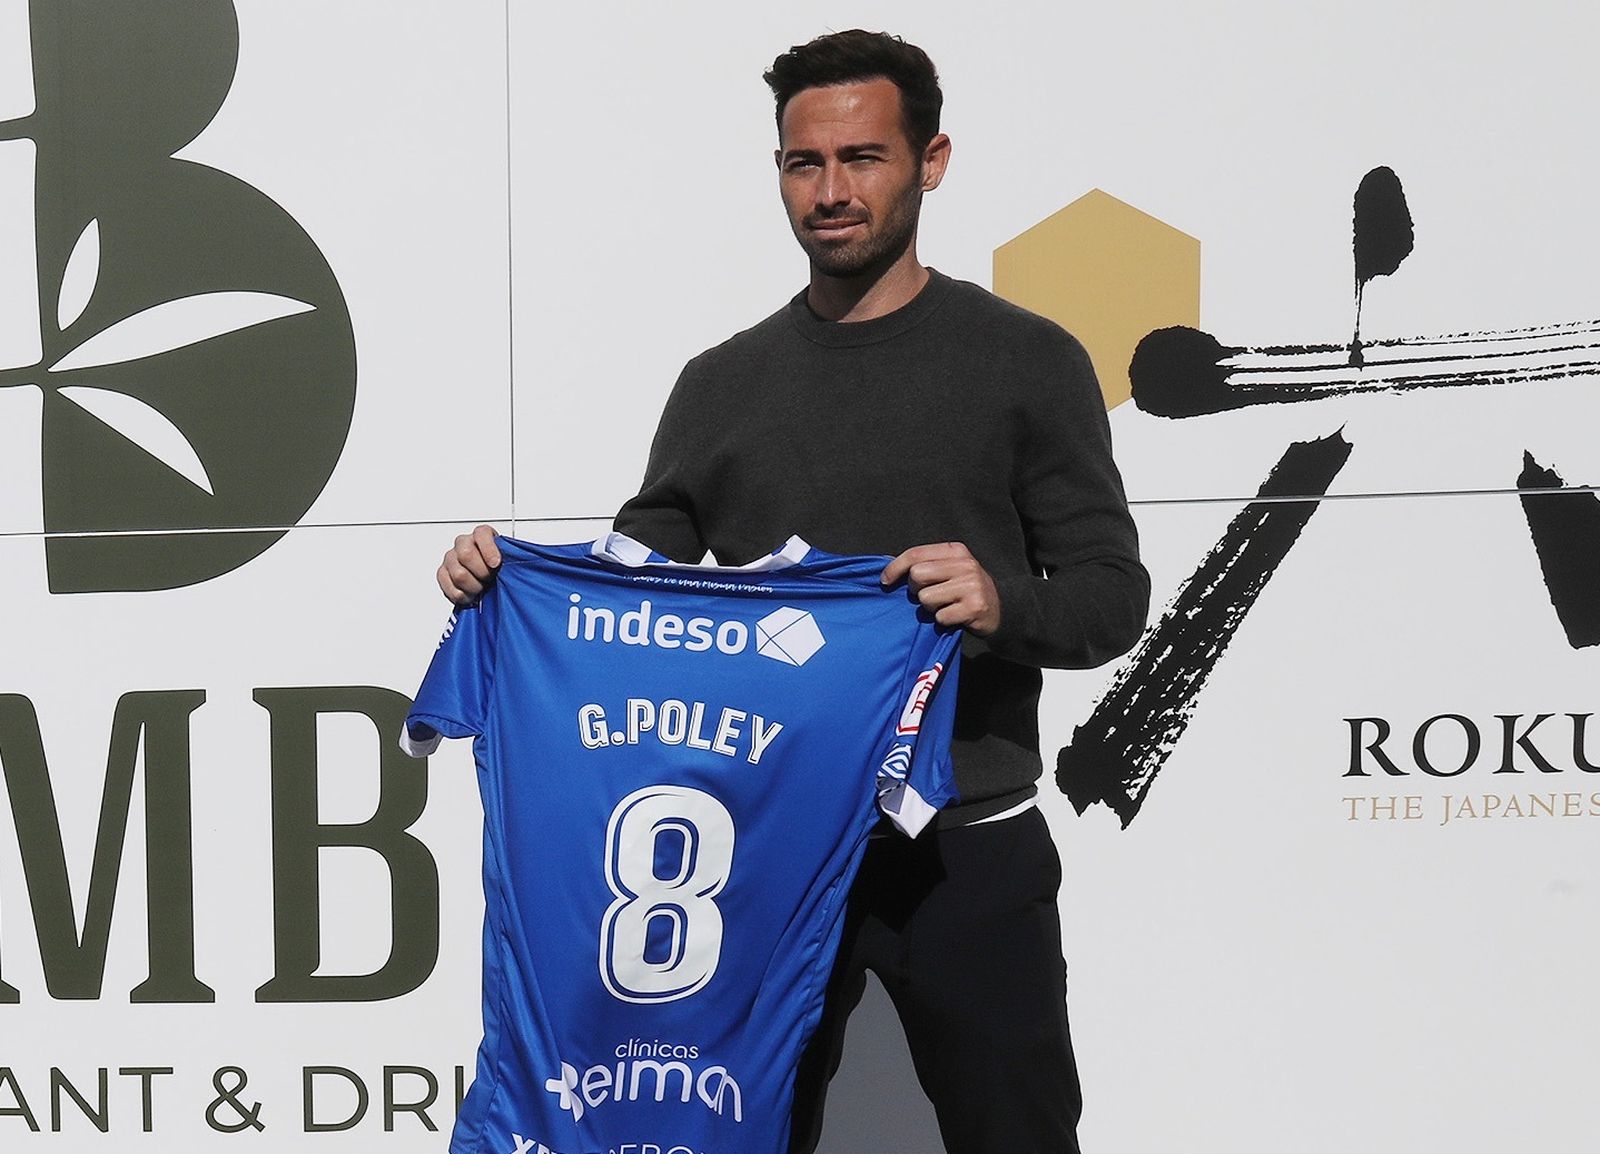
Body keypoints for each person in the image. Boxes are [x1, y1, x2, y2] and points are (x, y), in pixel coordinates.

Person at [439, 29, 1149, 1154]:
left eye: (862, 158)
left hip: (964, 845)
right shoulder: (722, 385)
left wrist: (999, 600)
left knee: (1016, 1134)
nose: (830, 192)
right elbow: (634, 598)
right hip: (760, 847)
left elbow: (1112, 598)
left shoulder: (1025, 360)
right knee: (729, 1136)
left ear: (932, 160)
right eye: (802, 163)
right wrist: (507, 582)